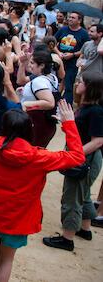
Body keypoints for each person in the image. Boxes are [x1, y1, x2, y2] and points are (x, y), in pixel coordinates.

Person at [0, 95, 84, 282]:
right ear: (29, 130)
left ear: (3, 127)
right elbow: (77, 156)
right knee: (6, 260)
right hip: (17, 219)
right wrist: (69, 124)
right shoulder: (39, 157)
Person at [43, 71, 103, 250]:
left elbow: (98, 141)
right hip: (84, 156)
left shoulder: (96, 111)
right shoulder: (88, 107)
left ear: (90, 88)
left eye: (82, 81)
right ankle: (85, 228)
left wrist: (74, 156)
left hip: (85, 158)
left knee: (72, 196)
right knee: (83, 195)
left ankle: (67, 238)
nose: (78, 83)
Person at [16, 50, 60, 147]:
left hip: (37, 124)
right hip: (46, 124)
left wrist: (25, 105)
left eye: (32, 63)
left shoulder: (39, 82)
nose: (30, 65)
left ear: (42, 66)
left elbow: (49, 103)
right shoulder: (51, 77)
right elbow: (20, 80)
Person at [54, 11, 89, 103]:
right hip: (59, 61)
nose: (70, 19)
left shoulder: (84, 33)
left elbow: (85, 49)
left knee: (68, 85)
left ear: (79, 20)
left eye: (73, 18)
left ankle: (67, 105)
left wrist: (73, 55)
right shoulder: (63, 29)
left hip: (72, 63)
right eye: (69, 17)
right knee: (56, 83)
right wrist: (58, 52)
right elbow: (52, 42)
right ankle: (54, 102)